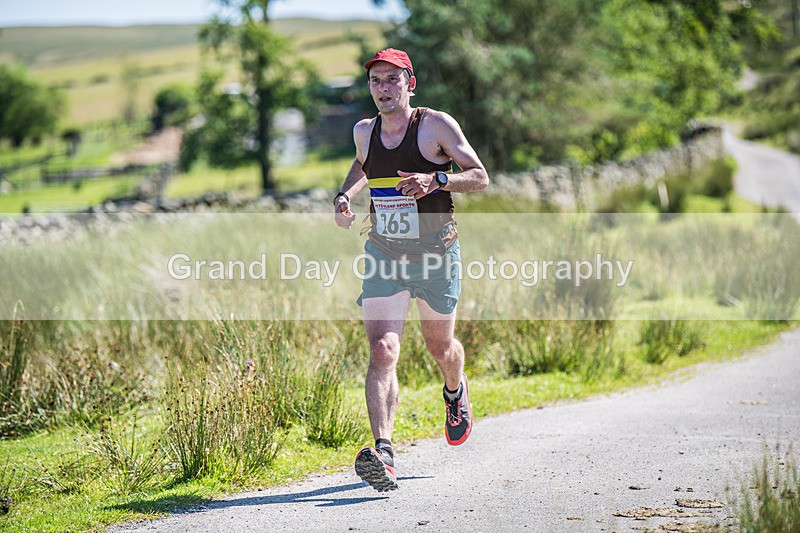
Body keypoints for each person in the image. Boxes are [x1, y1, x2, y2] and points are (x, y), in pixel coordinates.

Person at [333, 48, 488, 492]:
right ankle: (383, 452)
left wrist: (436, 180)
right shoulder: (364, 131)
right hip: (384, 253)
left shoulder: (435, 125)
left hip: (437, 254)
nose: (383, 88)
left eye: (392, 79)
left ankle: (455, 392)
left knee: (441, 349)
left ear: (409, 83)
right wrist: (344, 196)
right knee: (383, 349)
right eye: (376, 80)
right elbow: (363, 166)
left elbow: (479, 176)